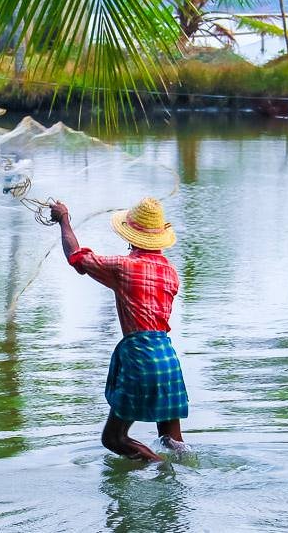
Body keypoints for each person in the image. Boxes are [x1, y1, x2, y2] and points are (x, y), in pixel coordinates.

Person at [48, 197, 188, 462]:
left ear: (131, 236)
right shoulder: (170, 272)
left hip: (140, 358)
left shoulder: (124, 267)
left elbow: (77, 258)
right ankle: (178, 472)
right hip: (167, 357)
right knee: (172, 442)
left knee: (114, 439)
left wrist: (64, 219)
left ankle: (158, 466)